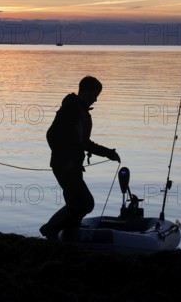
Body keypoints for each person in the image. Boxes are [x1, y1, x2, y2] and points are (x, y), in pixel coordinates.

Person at [40, 76, 120, 240]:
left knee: (76, 202)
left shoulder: (79, 110)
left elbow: (83, 143)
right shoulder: (70, 110)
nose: (96, 99)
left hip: (74, 165)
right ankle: (50, 228)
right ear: (86, 92)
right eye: (95, 95)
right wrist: (66, 159)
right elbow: (52, 135)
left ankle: (71, 232)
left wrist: (108, 153)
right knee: (85, 202)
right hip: (64, 165)